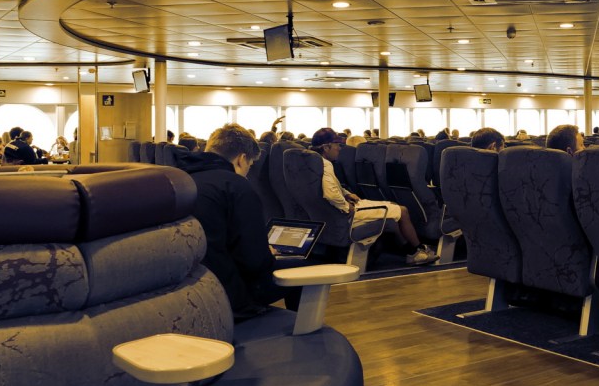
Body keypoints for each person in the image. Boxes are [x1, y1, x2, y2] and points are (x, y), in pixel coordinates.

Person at [180, 123, 295, 320]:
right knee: (302, 269)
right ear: (242, 159)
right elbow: (254, 262)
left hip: (189, 287)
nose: (248, 171)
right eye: (250, 165)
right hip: (230, 294)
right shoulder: (236, 186)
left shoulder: (180, 178)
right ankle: (299, 330)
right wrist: (267, 253)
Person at [310, 127, 439, 265]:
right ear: (326, 147)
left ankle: (410, 252)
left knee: (391, 216)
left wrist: (347, 194)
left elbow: (332, 187)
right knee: (402, 211)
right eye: (337, 145)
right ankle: (417, 251)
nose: (340, 149)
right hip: (345, 215)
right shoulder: (326, 165)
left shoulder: (314, 163)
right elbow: (331, 194)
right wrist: (346, 207)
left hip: (329, 215)